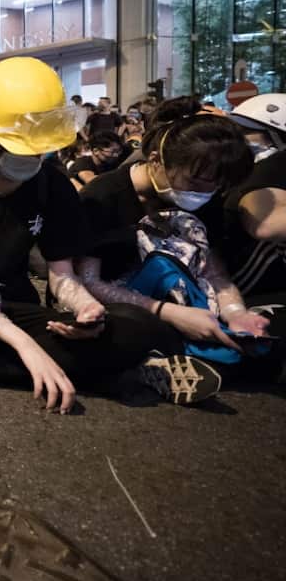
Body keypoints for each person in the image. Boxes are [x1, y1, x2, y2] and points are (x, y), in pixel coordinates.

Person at [0, 58, 220, 409]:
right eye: (23, 147)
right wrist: (25, 344)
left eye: (41, 148)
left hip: (17, 307)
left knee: (135, 327)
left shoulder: (53, 184)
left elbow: (62, 276)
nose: (35, 157)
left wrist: (85, 307)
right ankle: (100, 371)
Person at [77, 103, 277, 381]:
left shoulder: (206, 201)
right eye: (195, 181)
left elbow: (213, 269)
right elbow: (88, 282)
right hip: (114, 302)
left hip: (182, 296)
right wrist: (169, 313)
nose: (204, 193)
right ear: (157, 160)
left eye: (216, 185)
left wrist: (235, 312)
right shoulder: (102, 196)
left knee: (255, 343)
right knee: (123, 331)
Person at [225, 94, 286, 298]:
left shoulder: (242, 170)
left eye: (247, 131)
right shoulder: (271, 167)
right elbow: (266, 225)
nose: (240, 138)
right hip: (253, 293)